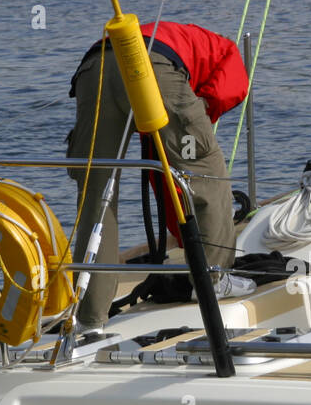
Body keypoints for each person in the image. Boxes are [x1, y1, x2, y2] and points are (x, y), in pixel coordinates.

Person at [65, 21, 253, 334]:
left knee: (96, 194)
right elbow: (225, 94)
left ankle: (90, 316)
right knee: (206, 171)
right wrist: (197, 124)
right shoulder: (227, 52)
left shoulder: (183, 37)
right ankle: (215, 279)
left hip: (94, 67)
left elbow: (160, 170)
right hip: (149, 66)